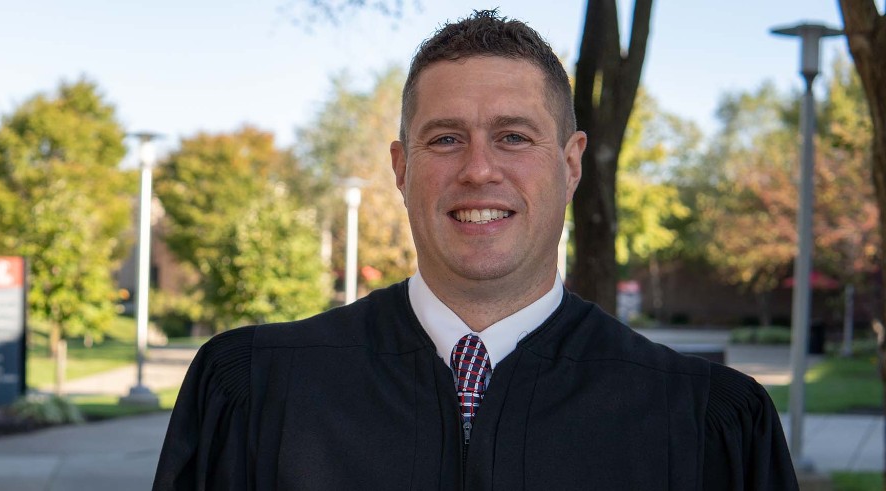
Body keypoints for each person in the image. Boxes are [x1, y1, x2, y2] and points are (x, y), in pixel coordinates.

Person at [153, 10, 798, 491]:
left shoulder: (700, 424)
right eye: (445, 140)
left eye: (514, 137)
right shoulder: (259, 393)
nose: (479, 170)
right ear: (401, 168)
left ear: (570, 166)